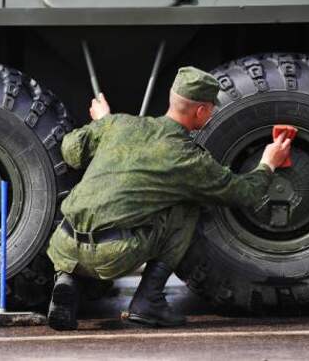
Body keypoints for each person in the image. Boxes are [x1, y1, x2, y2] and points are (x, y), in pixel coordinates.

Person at [46, 66, 292, 330]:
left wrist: (103, 123)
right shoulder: (186, 158)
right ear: (201, 111)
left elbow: (71, 151)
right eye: (211, 107)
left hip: (64, 244)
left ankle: (67, 281)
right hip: (113, 255)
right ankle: (148, 300)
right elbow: (244, 192)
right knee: (186, 205)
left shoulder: (120, 123)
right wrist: (268, 163)